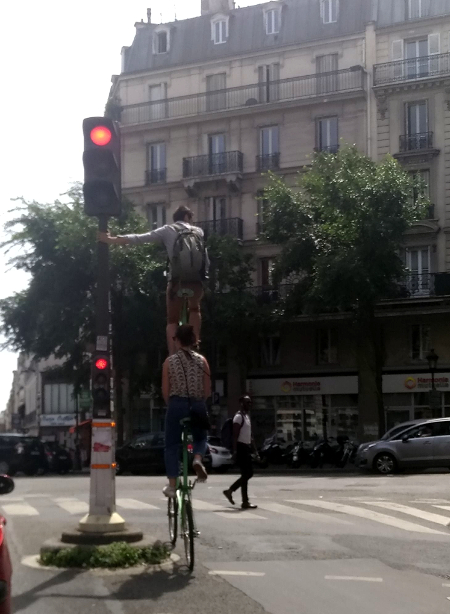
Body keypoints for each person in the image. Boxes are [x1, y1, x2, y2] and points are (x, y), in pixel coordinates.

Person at [98, 205, 209, 355]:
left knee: (172, 321)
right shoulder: (199, 231)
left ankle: (173, 355)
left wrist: (109, 239)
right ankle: (195, 345)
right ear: (187, 217)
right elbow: (205, 259)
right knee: (195, 309)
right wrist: (204, 279)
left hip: (177, 282)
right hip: (196, 282)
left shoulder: (167, 230)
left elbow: (139, 238)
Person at [161, 324, 211, 498]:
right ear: (193, 340)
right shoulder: (202, 361)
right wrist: (198, 404)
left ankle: (172, 485)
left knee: (171, 445)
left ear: (177, 340)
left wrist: (173, 405)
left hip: (177, 404)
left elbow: (166, 391)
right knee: (201, 437)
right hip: (197, 404)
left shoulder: (169, 362)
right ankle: (197, 458)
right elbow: (207, 391)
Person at [223, 395, 258, 510]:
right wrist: (235, 451)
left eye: (250, 402)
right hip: (241, 447)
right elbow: (235, 435)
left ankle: (238, 496)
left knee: (246, 474)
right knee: (248, 473)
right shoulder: (238, 417)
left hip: (246, 447)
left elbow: (250, 436)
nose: (249, 404)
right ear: (242, 403)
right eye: (247, 402)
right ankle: (238, 496)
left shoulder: (246, 417)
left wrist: (255, 450)